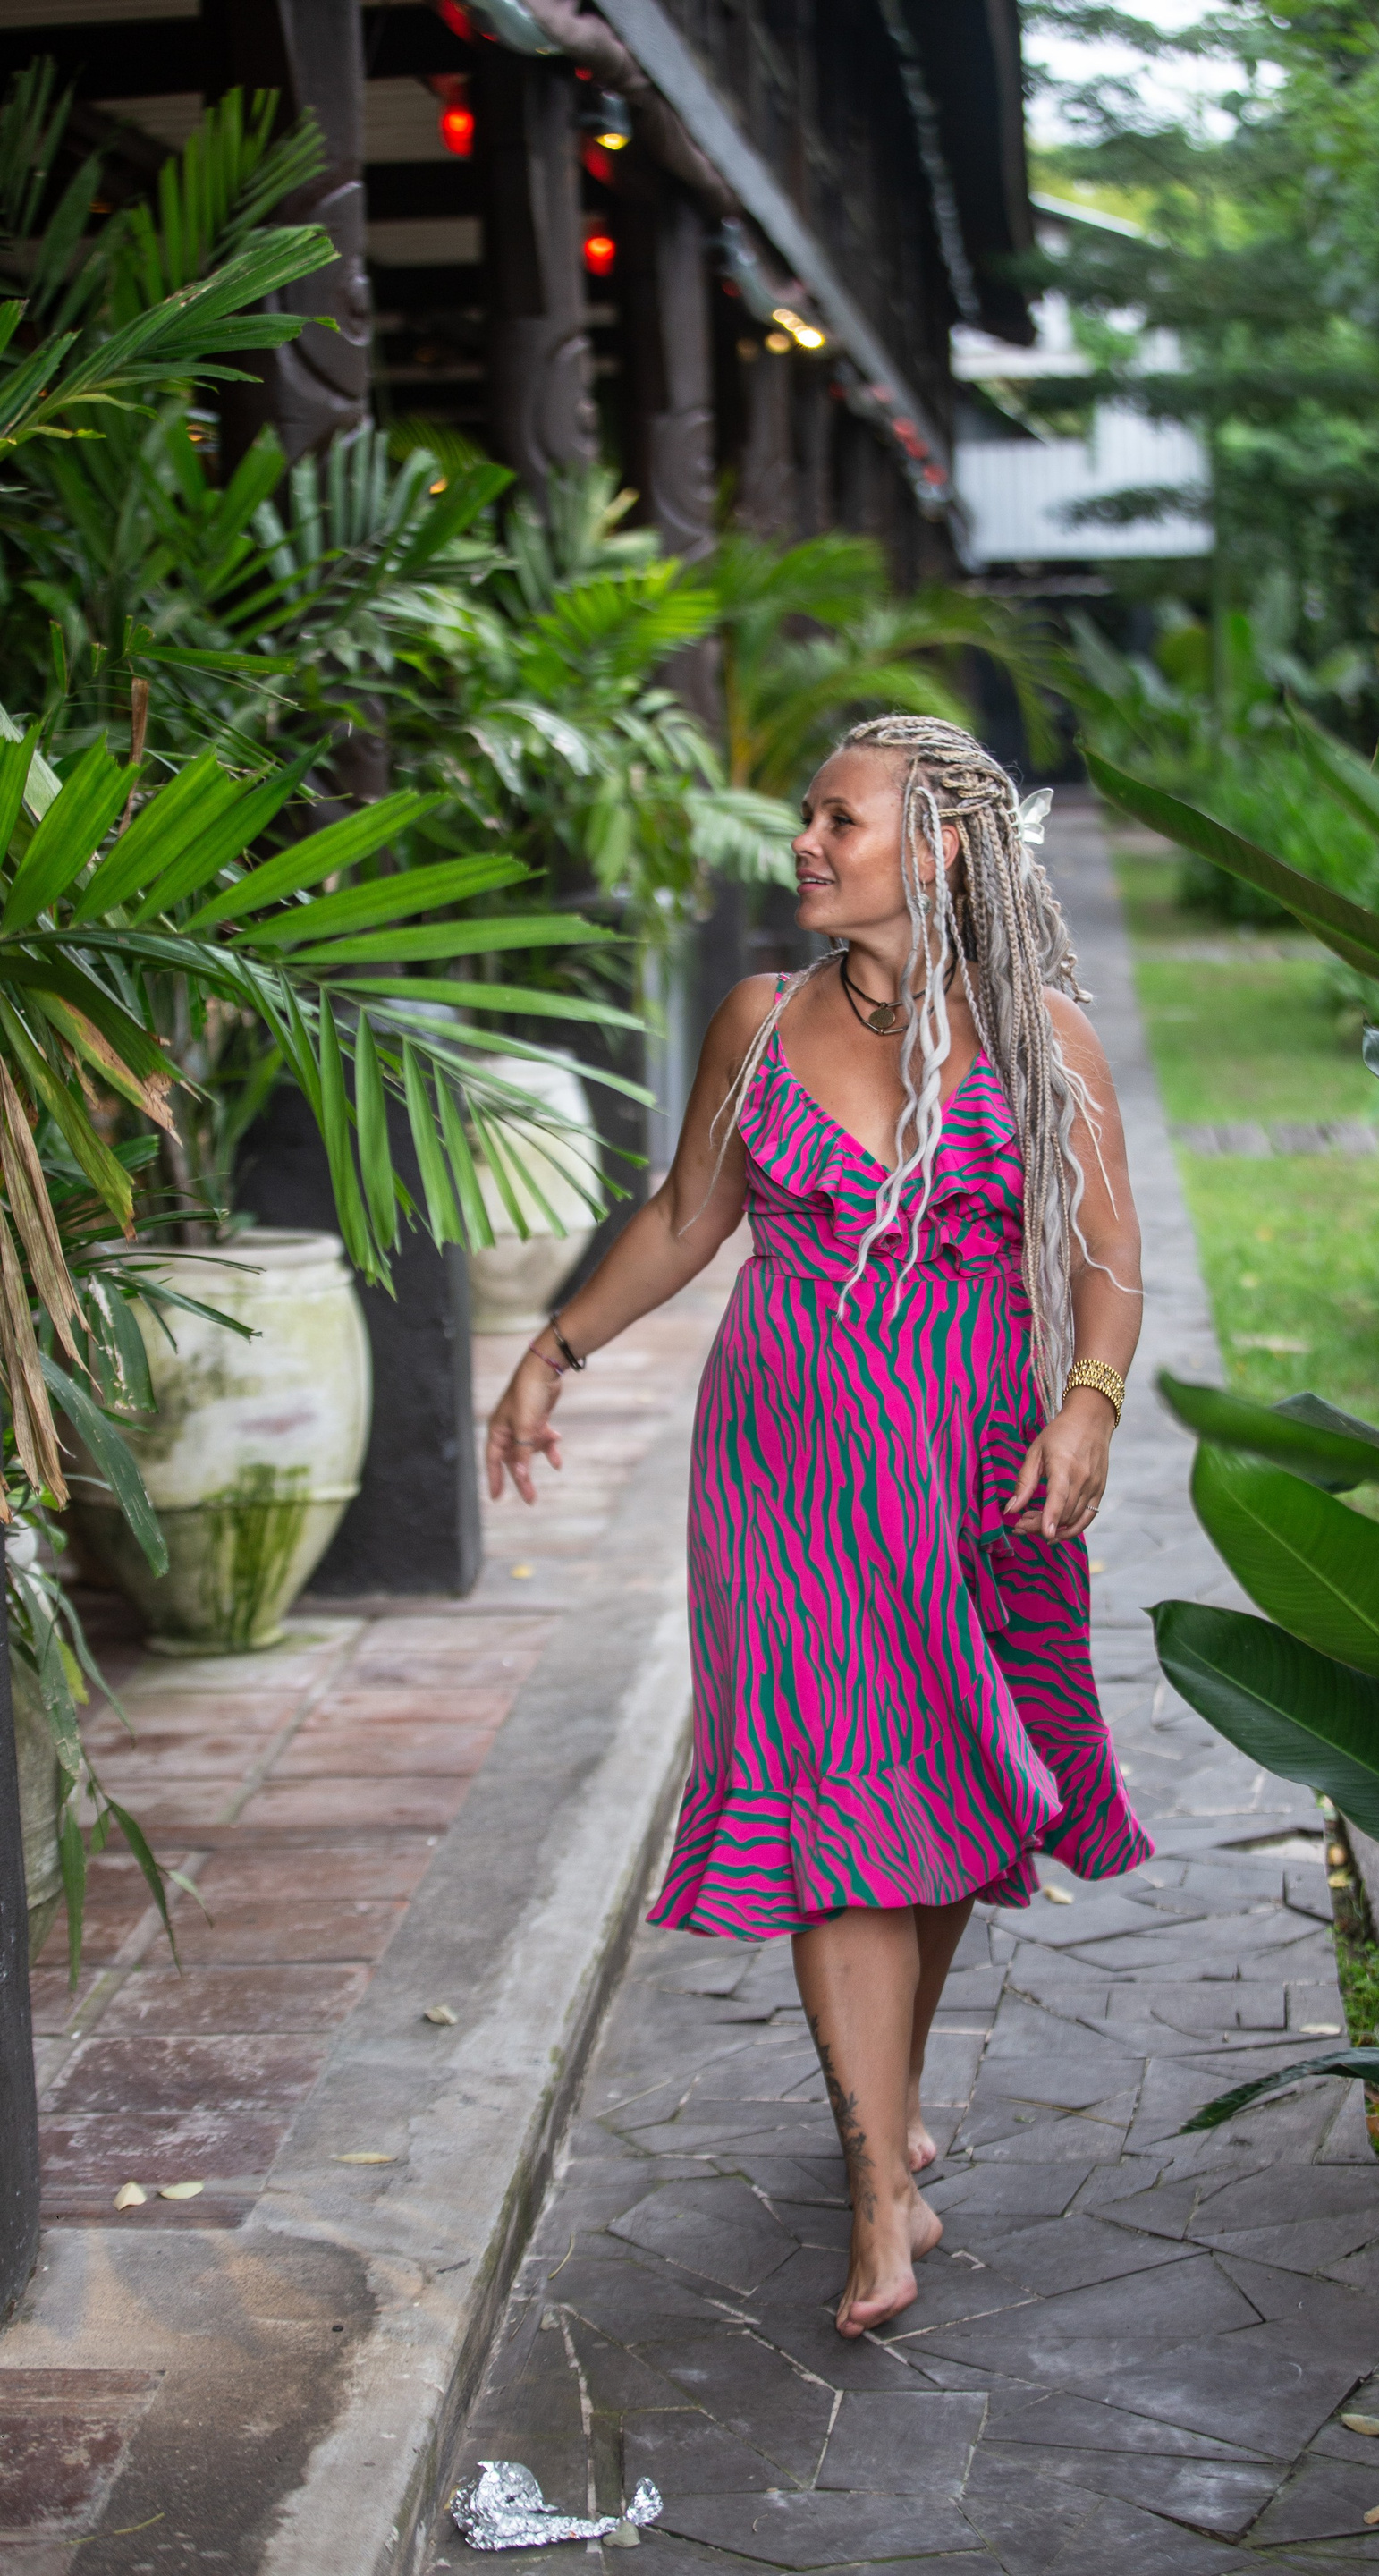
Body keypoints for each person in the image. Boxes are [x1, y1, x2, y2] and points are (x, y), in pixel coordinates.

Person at [486, 716, 1148, 2336]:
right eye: (809, 815)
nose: (805, 840)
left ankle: (886, 2099)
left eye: (838, 819)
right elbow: (687, 1217)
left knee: (945, 1794)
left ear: (936, 848)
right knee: (837, 1809)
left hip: (980, 1468)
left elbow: (1107, 1263)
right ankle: (873, 2191)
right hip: (786, 1470)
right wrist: (556, 1350)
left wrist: (1087, 1409)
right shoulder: (758, 1018)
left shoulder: (1041, 1036)